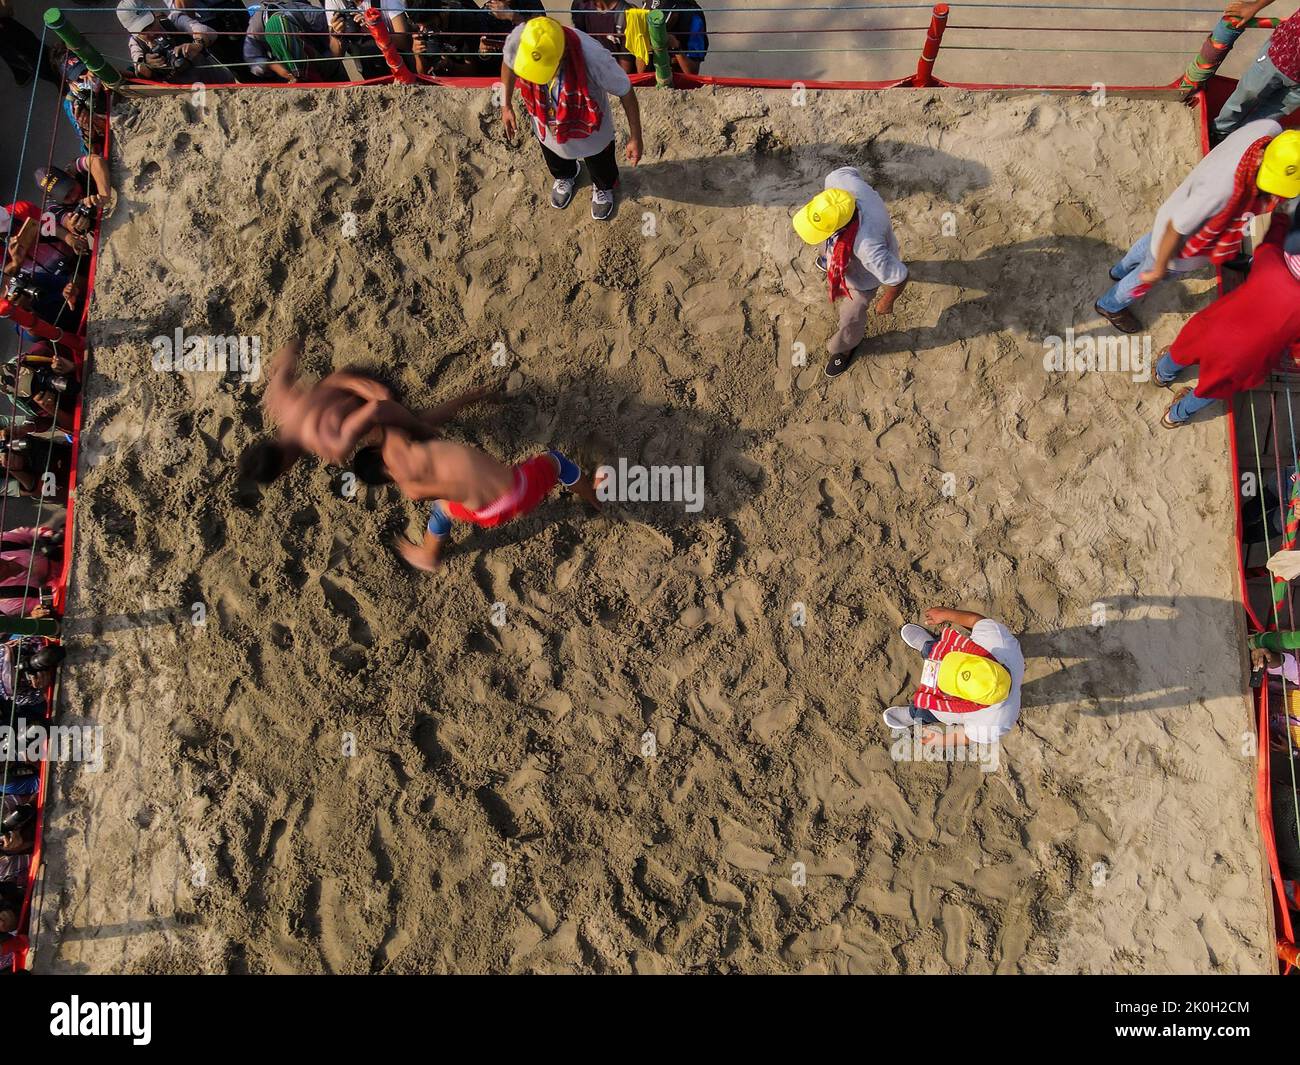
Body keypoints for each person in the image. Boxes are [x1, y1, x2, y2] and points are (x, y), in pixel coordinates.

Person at [1096, 122, 1300, 333]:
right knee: (1145, 276)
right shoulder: (1222, 191)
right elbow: (1175, 228)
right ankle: (1110, 305)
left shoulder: (1268, 129)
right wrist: (1158, 269)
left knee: (1149, 242)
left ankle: (1119, 269)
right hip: (1177, 247)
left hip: (1176, 209)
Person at [241, 339, 501, 480]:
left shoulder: (331, 444)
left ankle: (472, 396)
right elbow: (287, 354)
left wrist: (413, 426)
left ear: (285, 465)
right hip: (346, 377)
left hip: (372, 392)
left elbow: (377, 407)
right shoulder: (278, 402)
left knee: (403, 436)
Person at [363, 426, 602, 571]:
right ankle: (593, 495)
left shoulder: (413, 487)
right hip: (518, 491)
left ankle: (428, 553)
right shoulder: (417, 450)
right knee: (556, 461)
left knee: (442, 508)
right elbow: (395, 431)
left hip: (484, 514)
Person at [1155, 211, 1300, 426]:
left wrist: (1281, 218)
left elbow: (1273, 236)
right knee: (1211, 389)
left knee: (1182, 350)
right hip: (1243, 359)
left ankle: (1161, 375)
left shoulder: (1272, 259)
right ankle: (1174, 416)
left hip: (1214, 326)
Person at [499, 15, 644, 221]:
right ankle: (565, 174)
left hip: (588, 126)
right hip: (544, 117)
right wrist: (506, 105)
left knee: (600, 161)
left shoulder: (593, 56)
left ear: (562, 55)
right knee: (553, 153)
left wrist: (635, 137)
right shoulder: (522, 38)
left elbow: (625, 91)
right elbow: (508, 63)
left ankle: (602, 187)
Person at [792, 166, 908, 379]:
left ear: (841, 228)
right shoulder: (838, 180)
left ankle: (845, 346)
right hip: (848, 242)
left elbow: (899, 277)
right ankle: (829, 259)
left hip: (864, 278)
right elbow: (852, 171)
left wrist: (887, 301)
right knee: (825, 247)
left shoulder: (868, 249)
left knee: (850, 316)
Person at [882, 607, 1025, 747]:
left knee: (928, 712)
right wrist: (946, 614)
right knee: (935, 650)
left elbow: (970, 736)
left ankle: (913, 714)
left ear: (969, 701)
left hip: (948, 710)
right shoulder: (998, 640)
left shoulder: (995, 722)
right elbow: (976, 621)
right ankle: (928, 646)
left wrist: (942, 741)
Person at [1213, 1, 1300, 137]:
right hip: (1280, 55)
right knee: (1247, 94)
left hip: (1297, 84)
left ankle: (1242, 140)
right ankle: (1220, 132)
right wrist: (1253, 7)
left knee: (1271, 114)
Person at [116, 0, 235, 85]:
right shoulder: (136, 43)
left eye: (151, 24)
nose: (151, 33)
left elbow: (208, 32)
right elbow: (139, 69)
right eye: (143, 30)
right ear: (131, 31)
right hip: (190, 97)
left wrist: (197, 45)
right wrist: (147, 64)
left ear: (152, 13)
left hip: (220, 82)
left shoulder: (173, 20)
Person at [244, 2, 345, 83]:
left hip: (326, 64)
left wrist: (336, 37)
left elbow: (337, 51)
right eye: (281, 48)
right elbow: (252, 58)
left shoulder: (309, 15)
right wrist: (273, 66)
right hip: (287, 77)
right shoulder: (256, 26)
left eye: (291, 45)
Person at [325, 0, 411, 79]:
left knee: (370, 46)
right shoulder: (334, 1)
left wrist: (374, 30)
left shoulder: (387, 1)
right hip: (365, 65)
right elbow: (336, 55)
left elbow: (404, 42)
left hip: (398, 64)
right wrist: (337, 34)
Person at [410, 0, 497, 76]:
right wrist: (418, 55)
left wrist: (450, 65)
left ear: (442, 13)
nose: (423, 30)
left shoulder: (465, 22)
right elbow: (423, 75)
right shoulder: (422, 23)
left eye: (430, 25)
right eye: (419, 26)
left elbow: (473, 72)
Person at [643, 0, 708, 75]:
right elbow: (638, 73)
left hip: (679, 79)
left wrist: (676, 48)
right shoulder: (647, 5)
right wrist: (644, 43)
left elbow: (692, 72)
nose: (655, 25)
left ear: (676, 14)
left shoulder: (693, 19)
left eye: (662, 18)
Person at [572, 0, 633, 70]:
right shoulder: (581, 6)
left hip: (615, 75)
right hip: (592, 73)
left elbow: (625, 66)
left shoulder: (624, 14)